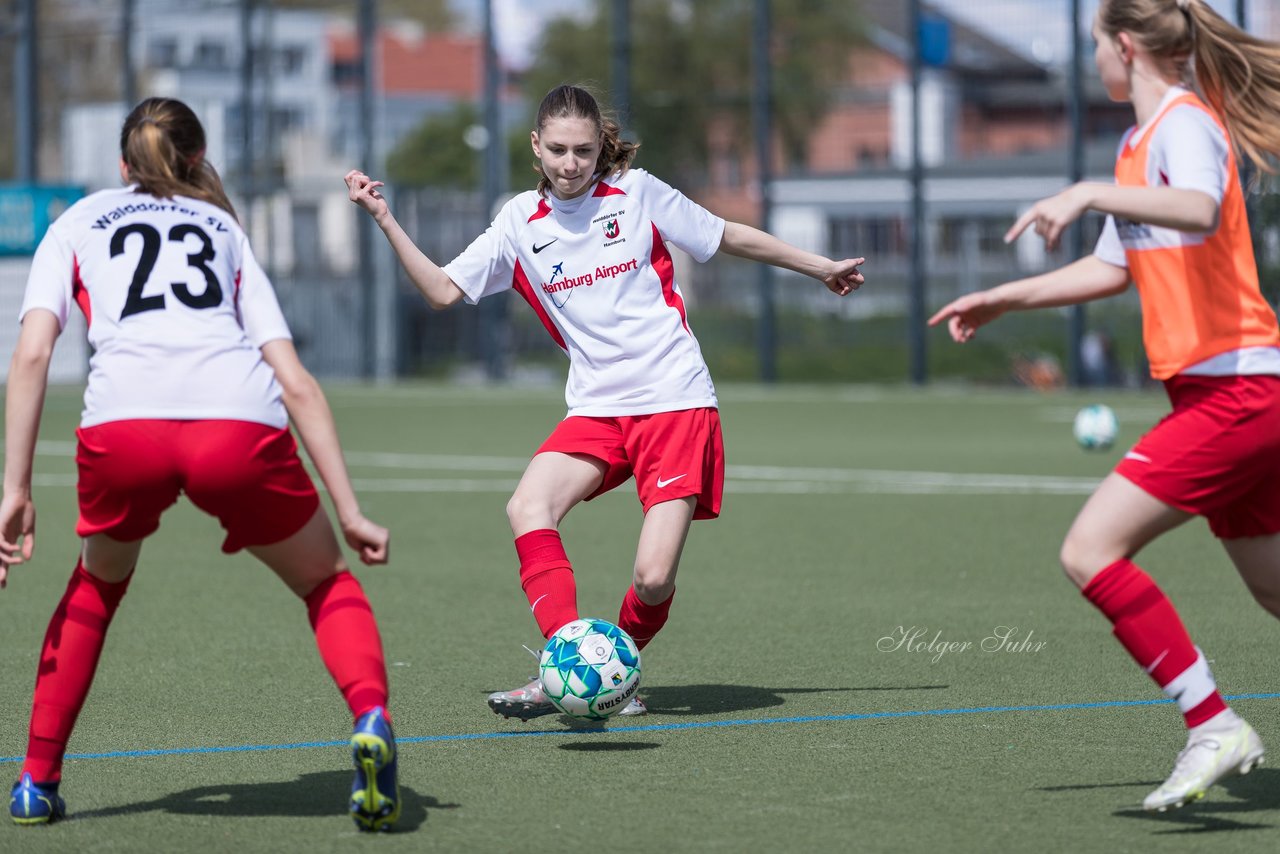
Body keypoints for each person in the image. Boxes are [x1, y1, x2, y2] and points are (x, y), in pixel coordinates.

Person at [346, 84, 864, 721]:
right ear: (536, 147)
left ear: (600, 151)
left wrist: (819, 267)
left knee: (651, 577)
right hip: (595, 408)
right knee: (527, 505)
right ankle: (565, 666)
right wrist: (383, 218)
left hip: (674, 400)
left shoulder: (637, 193)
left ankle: (615, 678)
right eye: (558, 150)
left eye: (583, 151)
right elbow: (441, 291)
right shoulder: (516, 222)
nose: (570, 163)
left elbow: (726, 235)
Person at [3, 97, 400, 831]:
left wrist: (14, 490)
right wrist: (348, 509)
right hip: (236, 424)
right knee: (325, 580)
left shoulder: (77, 221)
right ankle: (371, 718)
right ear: (195, 161)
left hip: (125, 429)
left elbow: (31, 354)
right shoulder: (224, 228)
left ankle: (34, 781)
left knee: (95, 587)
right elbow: (295, 382)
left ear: (123, 166)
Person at [929, 0, 1280, 812]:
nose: (1096, 63)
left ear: (1124, 46)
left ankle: (1212, 724)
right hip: (1227, 391)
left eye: (1096, 47)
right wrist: (1003, 298)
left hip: (1236, 390)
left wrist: (1087, 190)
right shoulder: (1135, 147)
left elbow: (1195, 208)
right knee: (1272, 591)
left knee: (1091, 550)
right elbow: (1110, 268)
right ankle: (1213, 724)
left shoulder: (1187, 125)